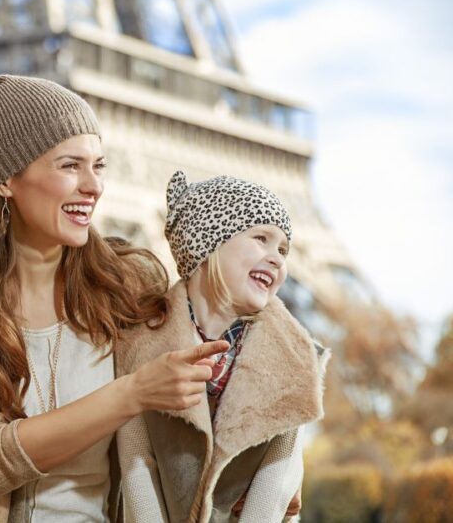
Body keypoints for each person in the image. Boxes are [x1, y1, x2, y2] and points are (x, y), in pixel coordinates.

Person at [0, 75, 229, 522]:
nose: (93, 186)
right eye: (69, 166)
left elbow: (218, 396)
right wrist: (133, 393)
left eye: (98, 166)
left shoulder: (127, 287)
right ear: (6, 178)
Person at [115, 171, 331, 522]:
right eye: (261, 238)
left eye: (283, 249)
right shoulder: (138, 346)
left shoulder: (296, 362)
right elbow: (136, 467)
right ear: (207, 244)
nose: (277, 258)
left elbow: (273, 493)